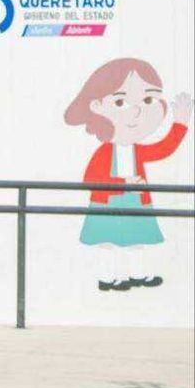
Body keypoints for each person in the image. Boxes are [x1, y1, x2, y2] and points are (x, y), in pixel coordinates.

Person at [64, 57, 192, 290]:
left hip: (136, 200)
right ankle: (108, 279)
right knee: (107, 243)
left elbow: (164, 149)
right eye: (120, 102)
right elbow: (90, 180)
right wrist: (124, 182)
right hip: (107, 201)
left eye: (148, 100)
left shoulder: (137, 150)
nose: (136, 111)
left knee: (137, 240)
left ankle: (139, 275)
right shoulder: (104, 152)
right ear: (97, 106)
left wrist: (180, 124)